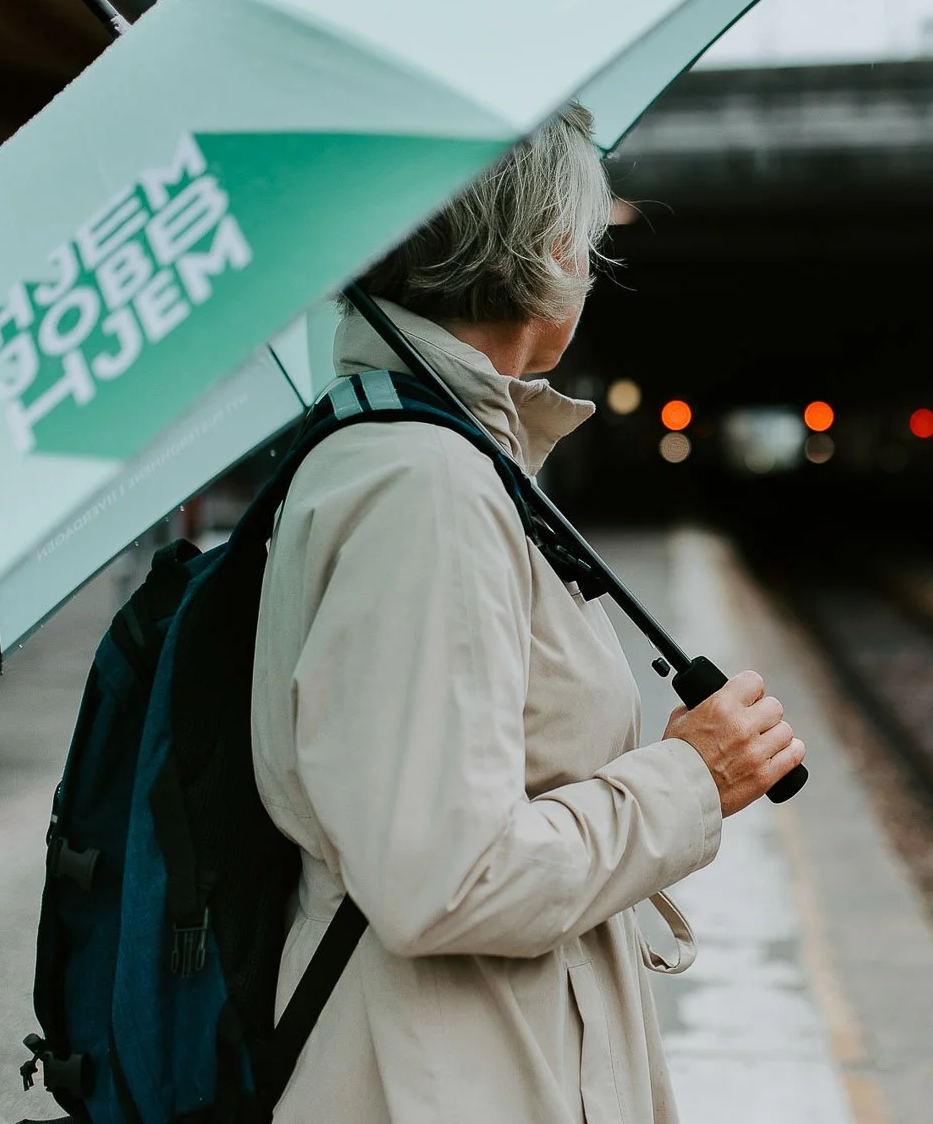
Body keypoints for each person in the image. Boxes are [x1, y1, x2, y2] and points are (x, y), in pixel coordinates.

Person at [251, 103, 804, 1123]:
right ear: (545, 249)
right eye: (586, 240)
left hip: (477, 1055)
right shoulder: (423, 486)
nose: (589, 264)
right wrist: (689, 777)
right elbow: (445, 875)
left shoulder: (431, 455)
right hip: (445, 1078)